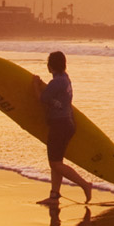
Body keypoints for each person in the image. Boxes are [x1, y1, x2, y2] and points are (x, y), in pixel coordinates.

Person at [32, 51, 92, 205]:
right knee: (57, 161)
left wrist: (35, 84)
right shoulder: (65, 79)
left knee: (55, 164)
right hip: (67, 124)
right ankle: (54, 196)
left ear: (50, 65)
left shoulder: (56, 82)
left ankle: (85, 185)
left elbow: (41, 99)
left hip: (59, 125)